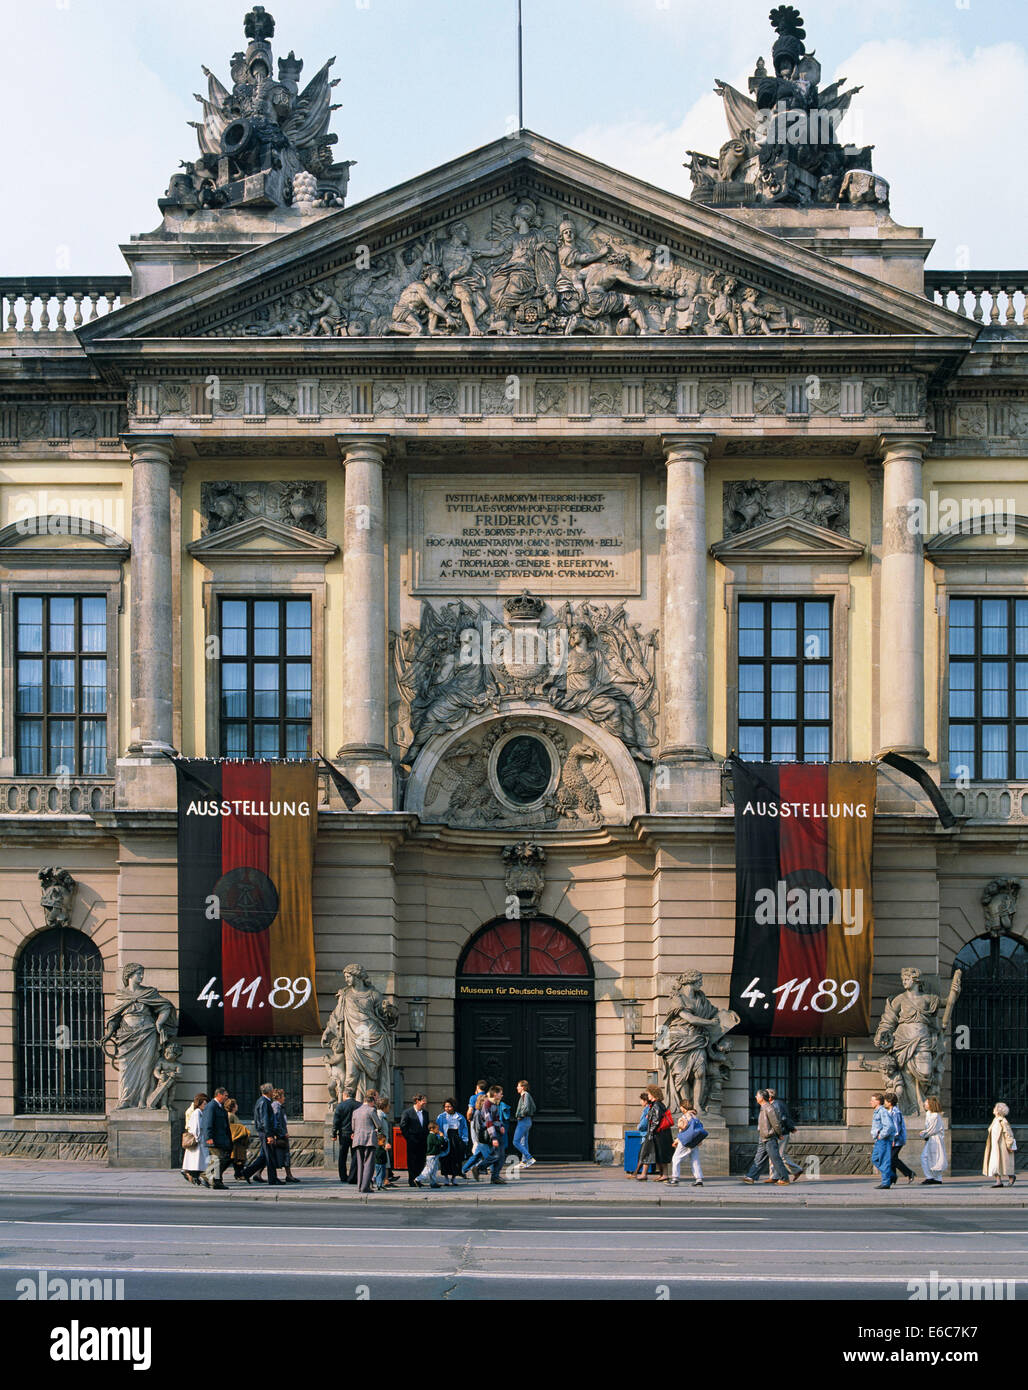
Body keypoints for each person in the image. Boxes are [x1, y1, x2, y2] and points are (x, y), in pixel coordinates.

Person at [742, 1089, 790, 1185]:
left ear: (761, 1097)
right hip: (763, 1137)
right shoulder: (764, 1107)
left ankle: (784, 1178)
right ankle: (751, 1177)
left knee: (775, 1158)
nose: (755, 1097)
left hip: (769, 1137)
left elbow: (776, 1123)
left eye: (757, 1096)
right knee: (759, 1158)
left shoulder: (769, 1108)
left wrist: (779, 1134)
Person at [243, 1082, 282, 1185]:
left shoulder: (262, 1101)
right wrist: (269, 1135)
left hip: (263, 1131)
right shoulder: (264, 1102)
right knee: (270, 1156)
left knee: (264, 1157)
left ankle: (247, 1173)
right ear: (269, 1091)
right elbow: (265, 1120)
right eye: (272, 1089)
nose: (273, 1091)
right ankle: (273, 1179)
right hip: (265, 1132)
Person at [637, 1084, 673, 1182]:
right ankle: (663, 1174)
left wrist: (651, 1132)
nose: (647, 1095)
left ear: (653, 1094)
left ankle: (660, 1174)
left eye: (649, 1093)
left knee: (649, 1152)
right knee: (659, 1154)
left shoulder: (656, 1105)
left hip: (658, 1134)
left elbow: (656, 1120)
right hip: (660, 1134)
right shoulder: (658, 1104)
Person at [199, 1086, 232, 1190]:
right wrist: (209, 1137)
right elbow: (207, 1122)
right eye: (225, 1095)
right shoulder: (211, 1106)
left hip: (222, 1139)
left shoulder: (220, 1106)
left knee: (224, 1159)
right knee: (219, 1159)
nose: (227, 1097)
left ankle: (216, 1181)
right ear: (219, 1095)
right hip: (214, 1139)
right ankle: (207, 1176)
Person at [767, 1088, 802, 1182]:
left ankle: (795, 1170)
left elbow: (783, 1118)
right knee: (775, 1154)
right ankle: (774, 1176)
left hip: (781, 1133)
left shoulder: (776, 1105)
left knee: (779, 1155)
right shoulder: (775, 1104)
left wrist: (790, 1128)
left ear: (770, 1097)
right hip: (778, 1132)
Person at [351, 1090, 383, 1194]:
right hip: (369, 1139)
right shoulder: (371, 1110)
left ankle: (360, 1186)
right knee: (369, 1163)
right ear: (372, 1102)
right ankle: (365, 1187)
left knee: (360, 1164)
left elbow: (353, 1127)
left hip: (358, 1139)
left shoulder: (356, 1111)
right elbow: (379, 1125)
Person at [669, 1108, 707, 1187]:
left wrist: (676, 1140)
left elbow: (684, 1128)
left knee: (676, 1158)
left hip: (685, 1142)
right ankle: (699, 1179)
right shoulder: (695, 1117)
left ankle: (675, 1178)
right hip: (695, 1142)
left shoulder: (685, 1116)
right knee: (695, 1160)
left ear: (683, 1108)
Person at [983, 1102, 1017, 1188]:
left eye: (995, 1108)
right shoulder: (995, 1120)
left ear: (998, 1110)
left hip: (1002, 1147)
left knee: (1004, 1164)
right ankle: (998, 1181)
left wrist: (1009, 1144)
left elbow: (1008, 1134)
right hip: (994, 1146)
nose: (993, 1109)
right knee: (995, 1165)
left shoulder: (1003, 1121)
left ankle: (1011, 1176)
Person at [462, 1094, 496, 1181]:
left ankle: (463, 1170)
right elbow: (477, 1128)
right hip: (482, 1139)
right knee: (490, 1156)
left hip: (486, 1138)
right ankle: (494, 1175)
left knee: (476, 1156)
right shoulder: (478, 1113)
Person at [400, 1094, 430, 1188]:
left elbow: (426, 1126)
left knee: (421, 1161)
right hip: (412, 1140)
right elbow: (403, 1126)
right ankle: (412, 1180)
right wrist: (409, 1138)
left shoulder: (425, 1113)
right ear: (417, 1101)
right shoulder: (407, 1112)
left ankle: (418, 1179)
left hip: (423, 1141)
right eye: (423, 1101)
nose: (425, 1103)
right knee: (412, 1161)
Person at [332, 1087, 361, 1185]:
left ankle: (343, 1176)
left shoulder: (341, 1106)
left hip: (343, 1134)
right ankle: (354, 1175)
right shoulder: (359, 1105)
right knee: (355, 1155)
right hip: (355, 1133)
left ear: (345, 1095)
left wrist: (333, 1133)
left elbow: (336, 1121)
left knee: (342, 1156)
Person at [883, 1094, 914, 1184]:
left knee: (892, 1158)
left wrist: (893, 1139)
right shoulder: (890, 1111)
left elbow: (896, 1128)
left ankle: (909, 1173)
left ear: (890, 1102)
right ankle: (893, 1177)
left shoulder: (895, 1112)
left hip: (897, 1139)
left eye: (885, 1101)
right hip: (893, 1139)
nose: (884, 1103)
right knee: (892, 1158)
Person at [271, 1088, 300, 1184]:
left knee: (283, 1155)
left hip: (281, 1133)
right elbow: (276, 1122)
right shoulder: (276, 1106)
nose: (284, 1098)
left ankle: (289, 1174)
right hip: (280, 1135)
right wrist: (282, 1133)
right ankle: (288, 1175)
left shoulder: (279, 1106)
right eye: (283, 1096)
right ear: (278, 1097)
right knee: (276, 1155)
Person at [437, 1099, 469, 1185]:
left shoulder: (460, 1117)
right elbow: (438, 1129)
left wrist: (464, 1140)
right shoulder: (441, 1117)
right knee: (445, 1158)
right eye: (445, 1106)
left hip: (456, 1138)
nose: (447, 1108)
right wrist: (440, 1139)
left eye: (449, 1106)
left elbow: (464, 1128)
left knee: (456, 1159)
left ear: (453, 1107)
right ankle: (446, 1178)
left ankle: (454, 1177)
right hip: (446, 1138)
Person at [869, 1091, 896, 1189]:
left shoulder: (882, 1111)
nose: (870, 1102)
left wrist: (882, 1135)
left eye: (872, 1100)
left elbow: (889, 1126)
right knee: (875, 1159)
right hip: (879, 1140)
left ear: (878, 1102)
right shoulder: (877, 1111)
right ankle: (891, 1175)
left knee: (884, 1160)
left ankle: (886, 1182)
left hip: (883, 1140)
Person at [481, 1087, 508, 1183]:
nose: (502, 1095)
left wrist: (501, 1126)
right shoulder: (487, 1104)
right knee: (496, 1155)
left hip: (497, 1132)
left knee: (501, 1156)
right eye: (501, 1093)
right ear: (495, 1094)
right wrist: (494, 1137)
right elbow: (488, 1122)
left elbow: (496, 1119)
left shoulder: (494, 1104)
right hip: (493, 1134)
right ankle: (479, 1167)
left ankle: (495, 1177)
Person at [182, 1093, 209, 1187]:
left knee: (197, 1160)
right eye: (204, 1104)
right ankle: (195, 1175)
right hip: (199, 1140)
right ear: (200, 1104)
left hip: (200, 1139)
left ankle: (196, 1176)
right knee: (197, 1159)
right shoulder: (197, 1113)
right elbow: (195, 1127)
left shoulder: (200, 1112)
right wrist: (197, 1138)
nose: (205, 1106)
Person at [920, 1096, 947, 1184]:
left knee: (934, 1157)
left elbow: (932, 1129)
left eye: (927, 1102)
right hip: (932, 1138)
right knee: (928, 1157)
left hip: (935, 1139)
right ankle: (933, 1177)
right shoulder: (929, 1114)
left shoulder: (935, 1115)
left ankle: (934, 1177)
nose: (925, 1104)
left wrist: (923, 1133)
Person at [415, 1122, 447, 1189]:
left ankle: (433, 1183)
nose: (438, 1130)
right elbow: (438, 1143)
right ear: (432, 1129)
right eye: (437, 1129)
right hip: (432, 1156)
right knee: (429, 1170)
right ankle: (418, 1179)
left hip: (435, 1155)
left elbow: (440, 1143)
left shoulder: (433, 1136)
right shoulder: (431, 1136)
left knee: (434, 1170)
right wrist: (441, 1136)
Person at [513, 1080, 537, 1167]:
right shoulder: (526, 1095)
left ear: (523, 1087)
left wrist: (521, 1115)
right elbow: (533, 1107)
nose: (517, 1088)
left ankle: (529, 1158)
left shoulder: (525, 1095)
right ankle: (524, 1161)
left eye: (518, 1086)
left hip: (523, 1120)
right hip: (527, 1120)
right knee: (524, 1141)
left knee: (516, 1141)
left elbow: (526, 1108)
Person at [225, 1098, 250, 1180]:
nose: (237, 1106)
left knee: (238, 1158)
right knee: (236, 1158)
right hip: (235, 1140)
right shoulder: (230, 1116)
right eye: (236, 1104)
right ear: (232, 1107)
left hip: (238, 1140)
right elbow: (230, 1128)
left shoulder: (233, 1115)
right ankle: (238, 1174)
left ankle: (239, 1173)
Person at [629, 1091, 652, 1178]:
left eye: (641, 1100)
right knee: (643, 1154)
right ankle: (638, 1173)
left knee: (642, 1155)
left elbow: (644, 1123)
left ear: (645, 1101)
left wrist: (639, 1127)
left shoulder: (647, 1110)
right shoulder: (648, 1109)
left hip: (645, 1134)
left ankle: (636, 1173)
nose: (640, 1102)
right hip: (645, 1135)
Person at [374, 1096, 394, 1189]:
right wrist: (383, 1143)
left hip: (384, 1142)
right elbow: (379, 1130)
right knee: (383, 1164)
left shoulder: (382, 1115)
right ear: (384, 1106)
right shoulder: (380, 1115)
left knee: (386, 1163)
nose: (389, 1108)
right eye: (388, 1106)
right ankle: (382, 1181)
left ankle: (385, 1180)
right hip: (382, 1144)